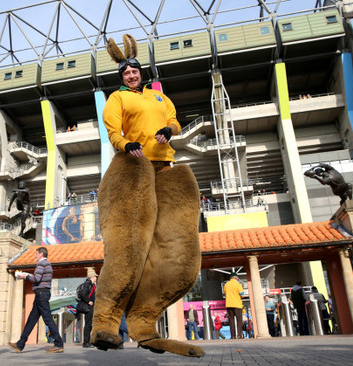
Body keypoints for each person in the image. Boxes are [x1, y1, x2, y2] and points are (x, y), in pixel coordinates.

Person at [90, 34, 203, 358]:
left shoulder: (158, 97)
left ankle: (144, 323)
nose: (131, 74)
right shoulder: (119, 99)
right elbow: (112, 128)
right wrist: (124, 145)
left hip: (165, 167)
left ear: (141, 73)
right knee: (128, 247)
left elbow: (173, 120)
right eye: (125, 72)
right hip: (133, 166)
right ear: (122, 76)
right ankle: (105, 323)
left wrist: (170, 130)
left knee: (177, 253)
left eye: (135, 70)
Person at [8, 247, 64, 353]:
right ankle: (20, 345)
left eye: (36, 254)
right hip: (42, 294)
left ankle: (59, 344)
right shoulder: (47, 264)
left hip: (41, 294)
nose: (35, 256)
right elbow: (39, 278)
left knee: (47, 319)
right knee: (31, 320)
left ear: (41, 254)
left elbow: (36, 279)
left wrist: (24, 276)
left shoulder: (41, 264)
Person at [76, 268, 98, 348]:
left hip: (91, 307)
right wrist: (88, 301)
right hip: (88, 307)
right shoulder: (87, 284)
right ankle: (86, 342)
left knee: (90, 324)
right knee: (88, 325)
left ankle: (88, 341)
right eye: (95, 276)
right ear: (92, 277)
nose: (96, 278)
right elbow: (83, 294)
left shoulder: (92, 285)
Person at [223, 272, 244, 339]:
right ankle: (239, 335)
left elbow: (224, 293)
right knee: (239, 320)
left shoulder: (226, 284)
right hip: (237, 304)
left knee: (231, 320)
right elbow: (242, 294)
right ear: (235, 277)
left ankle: (233, 335)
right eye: (237, 277)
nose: (237, 278)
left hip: (229, 304)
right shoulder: (238, 284)